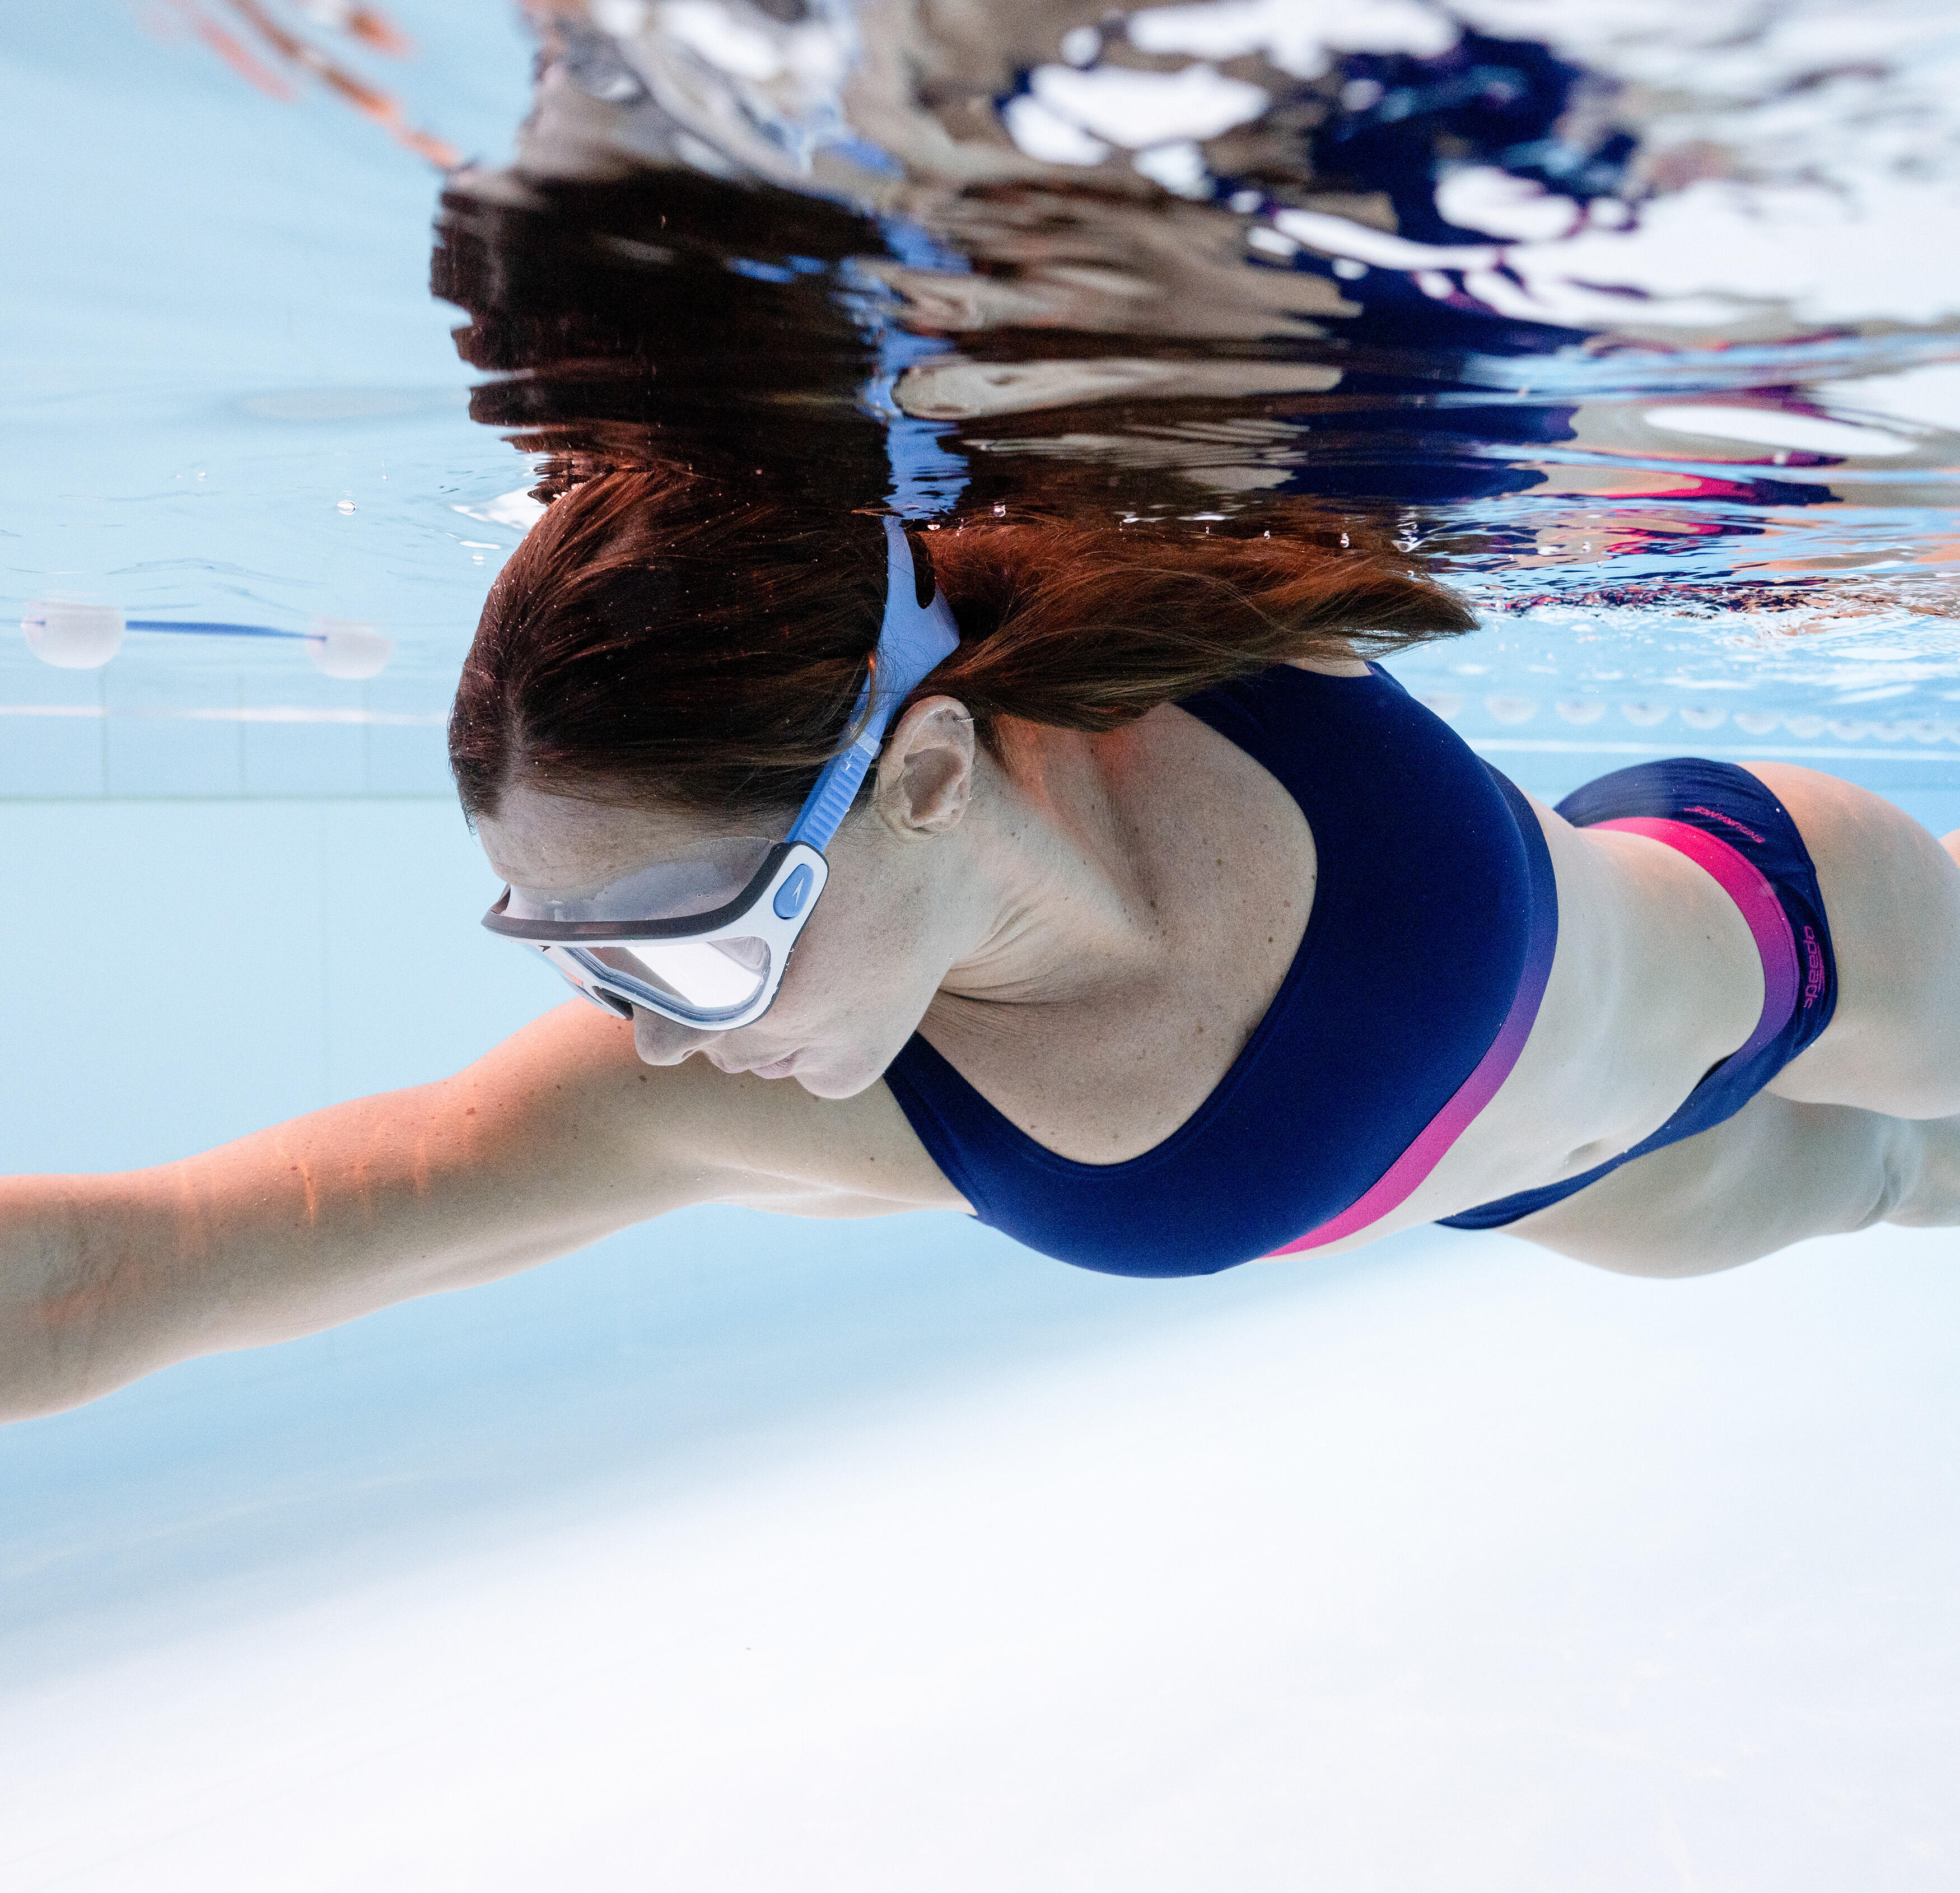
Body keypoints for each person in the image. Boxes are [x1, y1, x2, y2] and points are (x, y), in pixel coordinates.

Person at [6, 472, 1960, 1423]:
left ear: (925, 774)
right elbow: (175, 1253)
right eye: (581, 964)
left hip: (1797, 926)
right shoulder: (860, 1095)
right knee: (1905, 1187)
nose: (665, 1047)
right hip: (1613, 1195)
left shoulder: (1218, 645)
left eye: (685, 953)